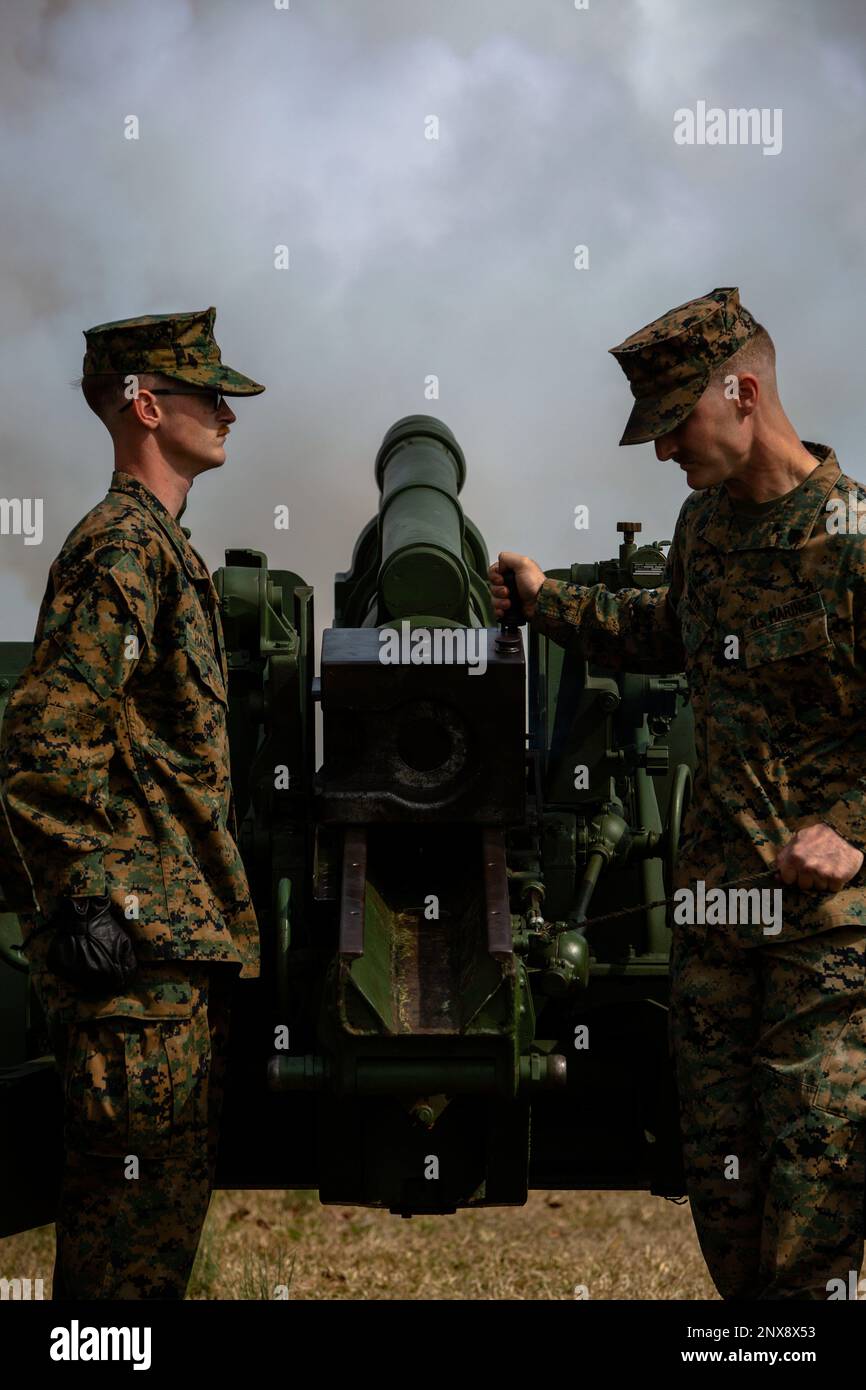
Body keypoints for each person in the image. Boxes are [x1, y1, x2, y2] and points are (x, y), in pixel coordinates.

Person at [490, 287, 866, 1300]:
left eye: (672, 424)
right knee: (726, 1210)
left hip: (822, 947)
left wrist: (852, 832)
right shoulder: (702, 528)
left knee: (811, 1225)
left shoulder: (849, 543)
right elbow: (666, 633)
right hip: (713, 933)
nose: (661, 452)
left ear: (742, 392)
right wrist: (546, 601)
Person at [0, 306, 264, 1299]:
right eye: (210, 397)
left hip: (167, 959)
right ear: (147, 406)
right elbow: (41, 746)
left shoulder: (155, 546)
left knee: (149, 1239)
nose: (229, 416)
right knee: (124, 1248)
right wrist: (92, 903)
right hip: (136, 968)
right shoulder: (124, 547)